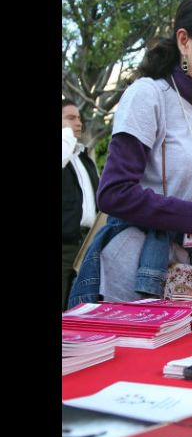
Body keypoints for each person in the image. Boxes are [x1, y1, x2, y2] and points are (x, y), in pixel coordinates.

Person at [67, 0, 192, 307]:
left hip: (191, 274)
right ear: (184, 41)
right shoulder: (149, 95)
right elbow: (113, 193)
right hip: (134, 275)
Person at [62, 99, 100, 310]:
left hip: (86, 242)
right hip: (64, 243)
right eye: (70, 118)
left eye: (78, 118)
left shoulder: (83, 157)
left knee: (81, 305)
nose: (78, 123)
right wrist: (65, 133)